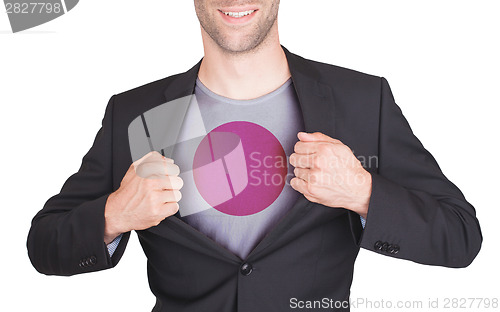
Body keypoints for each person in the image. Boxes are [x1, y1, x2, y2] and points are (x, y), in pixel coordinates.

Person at [27, 1, 482, 311]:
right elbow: (44, 245)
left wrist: (363, 192)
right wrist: (114, 214)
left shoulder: (361, 101)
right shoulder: (138, 114)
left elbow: (460, 236)